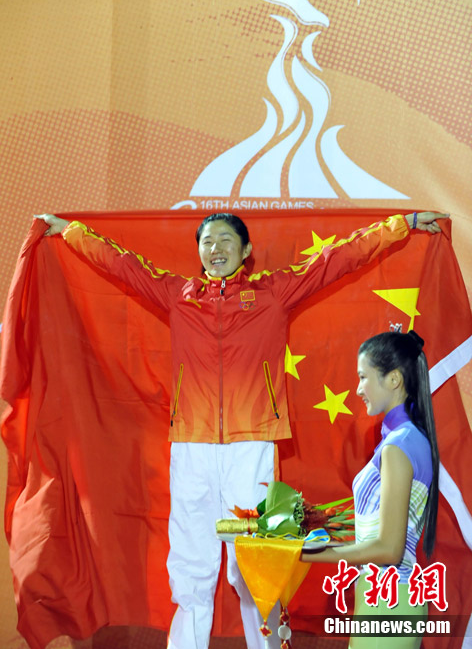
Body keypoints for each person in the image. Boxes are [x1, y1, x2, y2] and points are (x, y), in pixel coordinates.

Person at [35, 210, 446, 649]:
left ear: (246, 250)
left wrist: (403, 224)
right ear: (199, 252)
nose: (216, 249)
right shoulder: (178, 295)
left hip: (251, 445)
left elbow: (336, 259)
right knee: (191, 566)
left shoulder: (273, 294)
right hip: (191, 446)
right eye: (207, 242)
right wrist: (71, 232)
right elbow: (123, 265)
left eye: (226, 240)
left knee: (254, 566)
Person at [301, 330, 439, 649]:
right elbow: (379, 537)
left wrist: (311, 554)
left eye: (363, 377)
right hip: (387, 597)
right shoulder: (404, 440)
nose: (358, 388)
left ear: (393, 379)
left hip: (390, 602)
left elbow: (389, 549)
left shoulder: (399, 445)